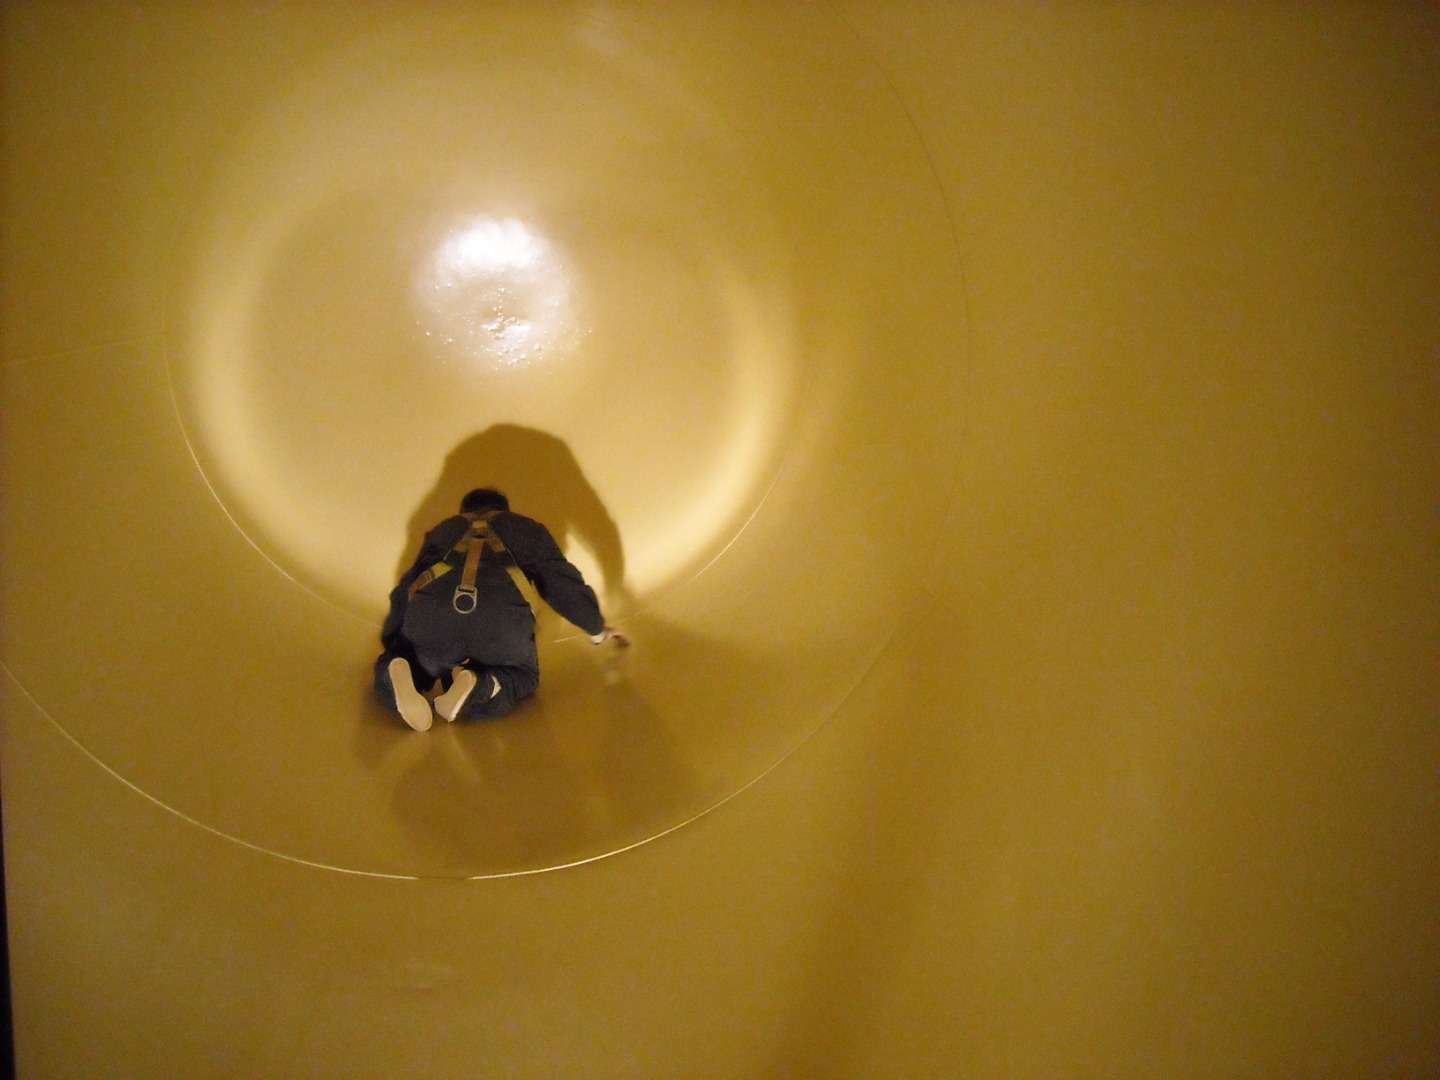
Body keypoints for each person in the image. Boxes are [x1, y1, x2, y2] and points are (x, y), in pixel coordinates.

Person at [375, 487, 626, 730]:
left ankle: (397, 670)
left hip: (432, 618)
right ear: (505, 510)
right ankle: (483, 685)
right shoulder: (527, 529)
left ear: (464, 510)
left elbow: (407, 586)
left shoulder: (444, 529)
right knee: (523, 675)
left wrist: (393, 641)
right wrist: (597, 629)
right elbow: (562, 584)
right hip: (500, 627)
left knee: (408, 661)